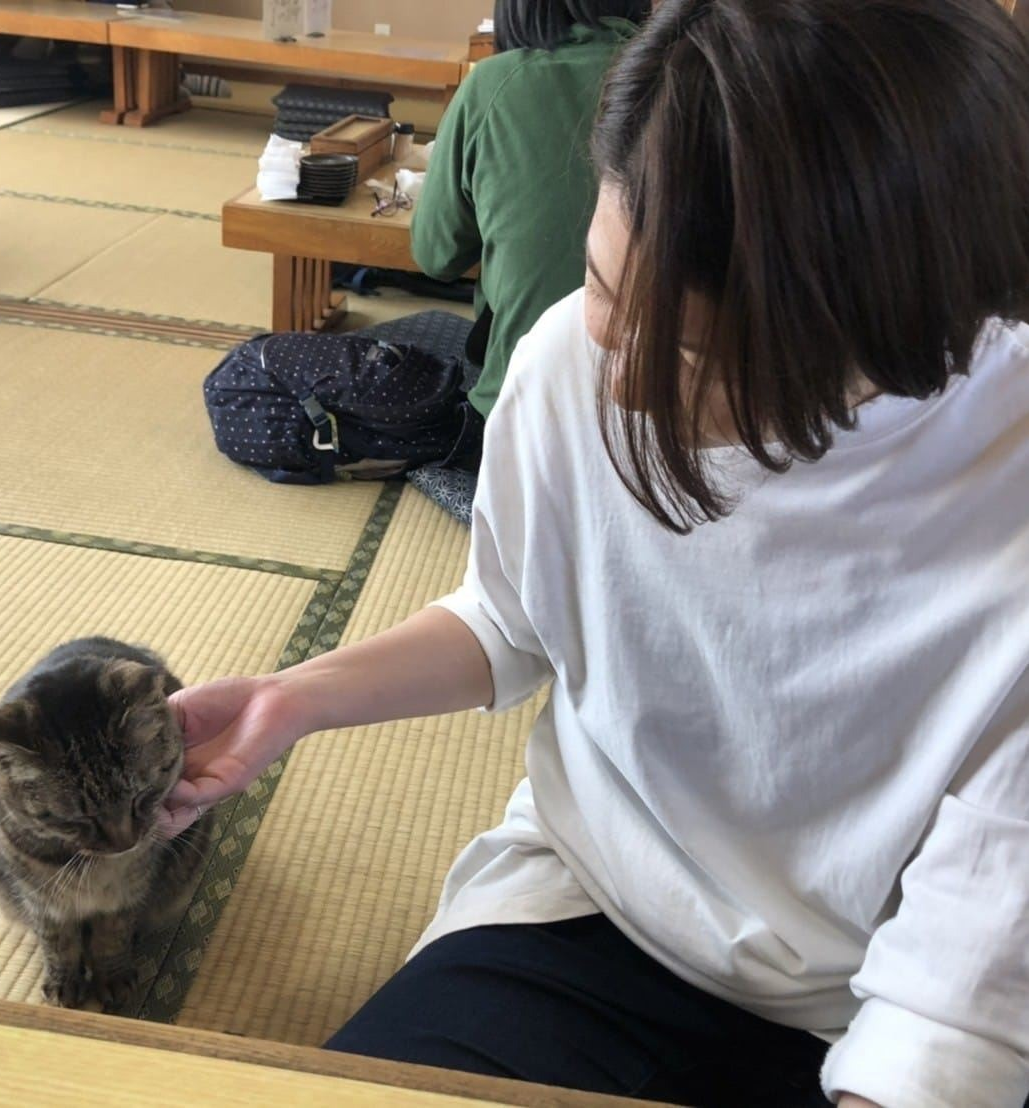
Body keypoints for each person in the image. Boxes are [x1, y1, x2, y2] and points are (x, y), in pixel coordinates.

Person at [160, 1, 1029, 1104]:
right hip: (587, 905)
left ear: (895, 327)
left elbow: (956, 1009)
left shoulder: (1002, 493)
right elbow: (511, 616)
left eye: (687, 349)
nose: (614, 377)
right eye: (606, 285)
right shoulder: (568, 355)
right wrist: (293, 698)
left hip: (872, 1000)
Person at [409, 0, 652, 420]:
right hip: (664, 417)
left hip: (519, 407)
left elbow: (436, 255)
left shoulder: (495, 84)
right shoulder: (685, 82)